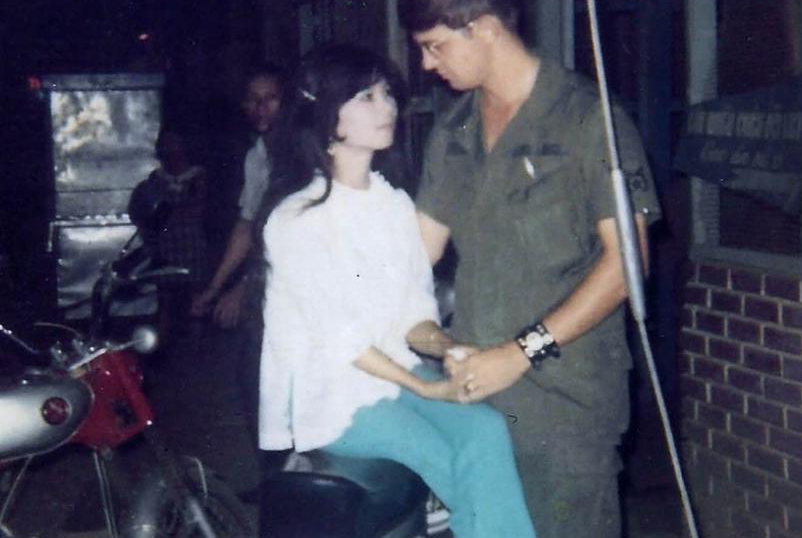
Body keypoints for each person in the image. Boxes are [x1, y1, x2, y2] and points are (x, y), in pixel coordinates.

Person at [398, 0, 662, 536]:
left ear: (484, 28)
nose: (426, 65)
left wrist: (520, 353)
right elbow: (411, 257)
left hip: (564, 408)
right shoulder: (455, 130)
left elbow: (628, 263)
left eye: (435, 46)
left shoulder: (589, 121)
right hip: (476, 404)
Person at [255, 44, 535, 538]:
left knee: (487, 431)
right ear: (325, 115)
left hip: (393, 379)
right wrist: (428, 387)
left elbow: (415, 311)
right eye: (366, 97)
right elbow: (340, 339)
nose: (387, 107)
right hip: (336, 400)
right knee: (452, 463)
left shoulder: (393, 204)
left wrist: (450, 350)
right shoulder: (296, 219)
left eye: (387, 94)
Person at [191, 63, 284, 326]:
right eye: (253, 100)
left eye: (271, 98)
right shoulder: (256, 156)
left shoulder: (299, 155)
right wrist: (215, 287)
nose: (261, 107)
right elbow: (247, 224)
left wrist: (244, 287)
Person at [130, 127, 208, 346]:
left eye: (174, 143)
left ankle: (197, 352)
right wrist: (150, 234)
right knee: (165, 302)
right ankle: (163, 350)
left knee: (196, 301)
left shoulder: (199, 178)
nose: (169, 149)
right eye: (165, 144)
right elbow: (137, 211)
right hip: (165, 251)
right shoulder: (151, 184)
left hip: (194, 248)